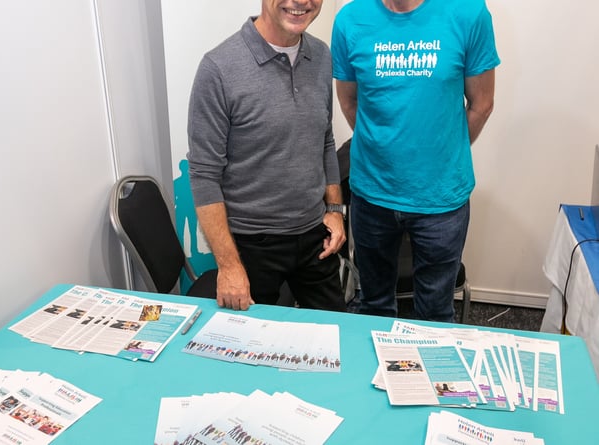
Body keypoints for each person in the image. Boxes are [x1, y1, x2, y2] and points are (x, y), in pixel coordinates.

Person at [332, 0, 500, 322]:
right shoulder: (350, 20)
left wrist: (439, 154)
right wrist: (386, 149)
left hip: (441, 201)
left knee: (435, 314)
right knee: (373, 307)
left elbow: (482, 104)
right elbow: (349, 101)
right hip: (371, 195)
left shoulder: (468, 12)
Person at [187, 0, 346, 312]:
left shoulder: (322, 55)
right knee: (251, 351)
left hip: (314, 236)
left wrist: (336, 210)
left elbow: (324, 139)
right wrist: (230, 267)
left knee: (337, 337)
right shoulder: (218, 68)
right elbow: (204, 176)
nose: (301, 2)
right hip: (251, 245)